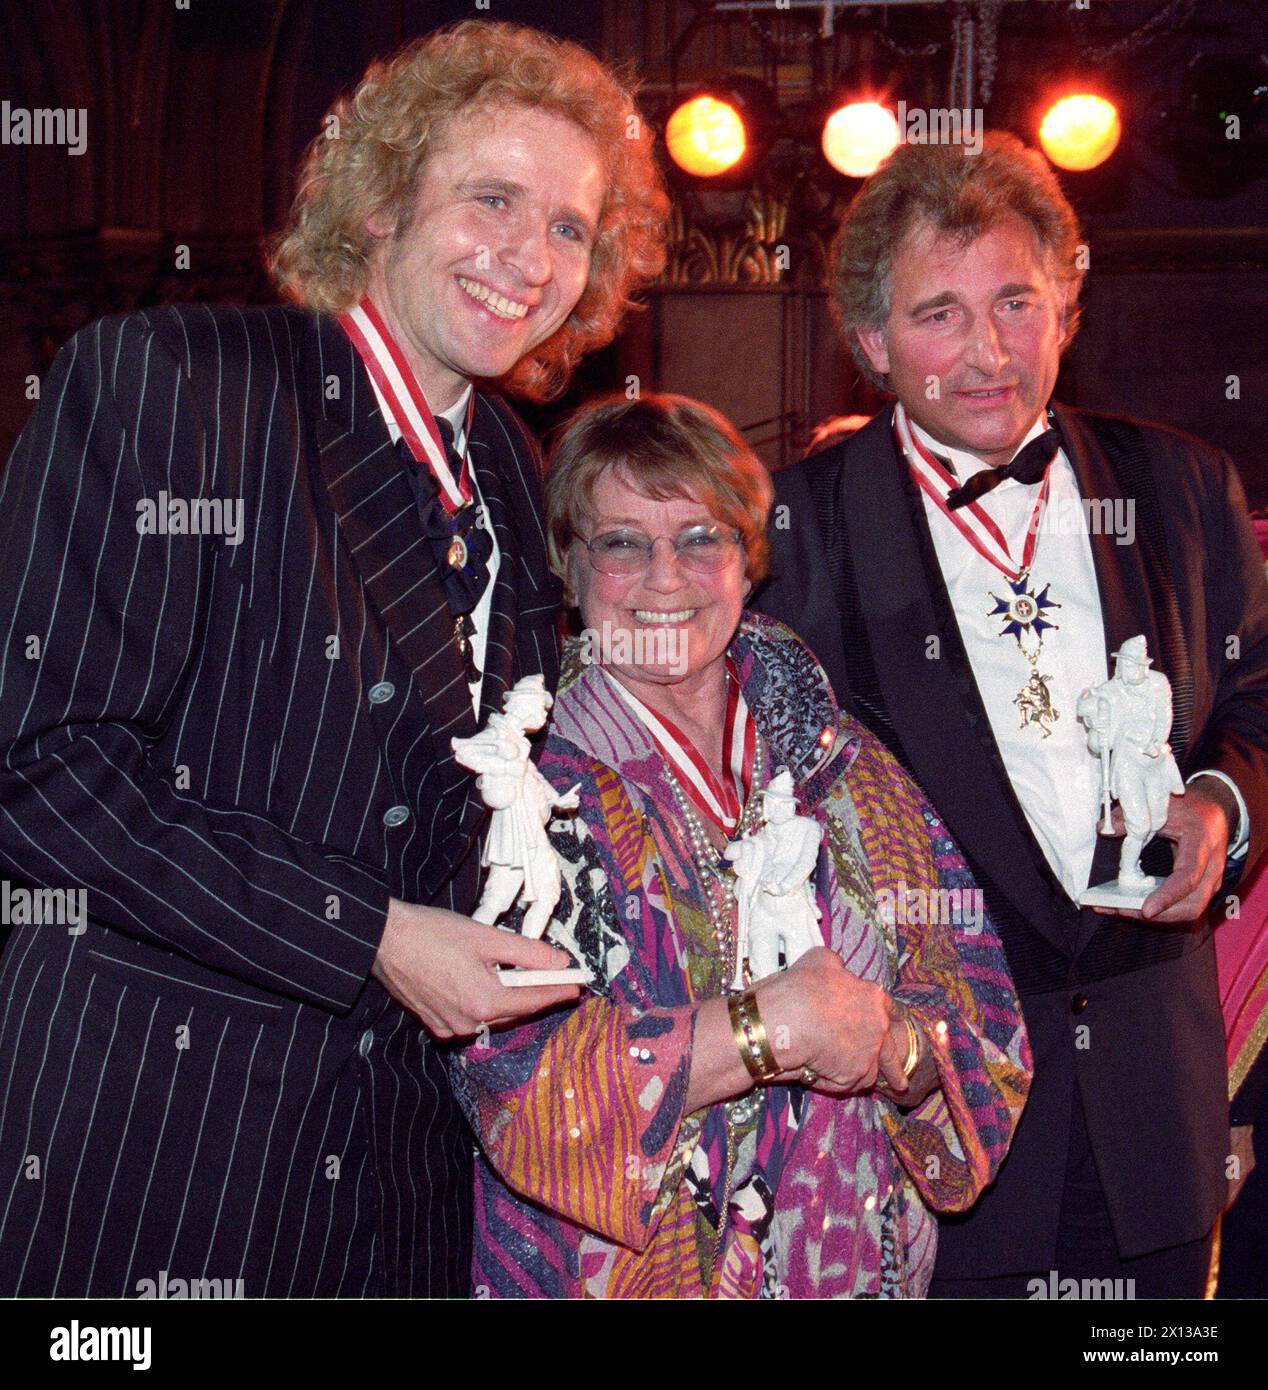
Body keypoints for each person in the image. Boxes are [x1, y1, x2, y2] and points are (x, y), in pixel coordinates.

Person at [0, 20, 666, 1296]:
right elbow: (41, 768)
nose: (528, 259)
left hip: (396, 1176)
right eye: (490, 199)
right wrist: (367, 935)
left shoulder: (513, 473)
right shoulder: (181, 381)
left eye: (570, 229)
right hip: (160, 1152)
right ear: (379, 205)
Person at [755, 133, 1268, 1297]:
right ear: (873, 345)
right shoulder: (794, 530)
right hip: (935, 1113)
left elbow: (1258, 693)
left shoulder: (1180, 486)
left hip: (1154, 1107)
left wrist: (1218, 801)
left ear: (1067, 306)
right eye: (938, 315)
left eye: (1014, 302)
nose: (986, 352)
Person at [452, 393, 1030, 1298]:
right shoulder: (521, 792)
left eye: (700, 537)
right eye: (620, 543)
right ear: (568, 568)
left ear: (749, 561)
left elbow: (978, 1001)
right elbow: (517, 1092)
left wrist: (894, 1051)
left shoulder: (843, 762)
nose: (664, 577)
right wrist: (770, 1029)